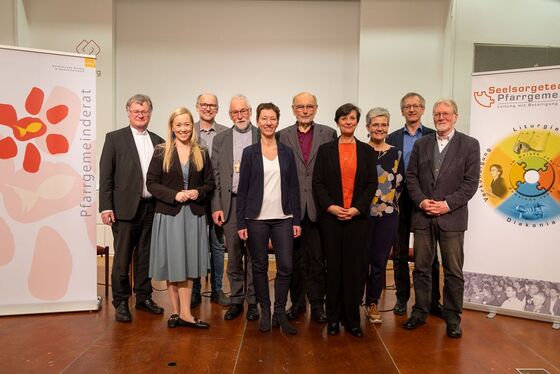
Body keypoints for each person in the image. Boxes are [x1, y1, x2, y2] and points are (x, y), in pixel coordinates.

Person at [403, 99, 480, 339]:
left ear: (455, 116)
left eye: (446, 113)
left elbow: (470, 183)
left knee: (453, 270)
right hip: (424, 216)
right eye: (437, 114)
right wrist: (422, 201)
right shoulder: (422, 144)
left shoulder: (469, 145)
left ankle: (453, 317)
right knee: (422, 268)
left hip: (452, 217)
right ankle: (420, 311)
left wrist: (446, 205)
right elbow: (411, 177)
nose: (441, 117)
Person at [313, 103, 377, 338]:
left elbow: (372, 184)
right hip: (331, 219)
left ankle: (352, 319)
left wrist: (357, 209)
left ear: (357, 122)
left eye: (352, 118)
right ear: (337, 121)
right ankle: (333, 319)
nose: (348, 122)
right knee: (333, 270)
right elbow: (317, 182)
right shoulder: (325, 150)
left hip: (357, 220)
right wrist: (331, 207)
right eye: (344, 118)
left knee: (354, 270)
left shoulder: (367, 152)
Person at [236, 103, 301, 334]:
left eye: (272, 119)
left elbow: (294, 187)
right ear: (258, 120)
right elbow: (242, 190)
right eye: (264, 118)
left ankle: (280, 313)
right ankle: (265, 310)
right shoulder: (249, 153)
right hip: (256, 219)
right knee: (259, 266)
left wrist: (296, 220)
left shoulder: (287, 152)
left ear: (277, 121)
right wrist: (241, 222)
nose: (268, 123)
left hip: (284, 217)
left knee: (286, 266)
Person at [99, 94, 165, 322]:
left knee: (146, 256)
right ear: (128, 112)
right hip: (124, 209)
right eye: (136, 111)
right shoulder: (114, 138)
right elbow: (106, 176)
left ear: (150, 114)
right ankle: (121, 301)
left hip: (151, 208)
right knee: (123, 258)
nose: (140, 115)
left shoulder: (158, 141)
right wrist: (106, 207)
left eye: (144, 111)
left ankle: (144, 297)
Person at [146, 107, 214, 329]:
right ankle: (175, 312)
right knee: (173, 263)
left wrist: (198, 192)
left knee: (189, 263)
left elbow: (210, 184)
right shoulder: (160, 151)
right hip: (169, 214)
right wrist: (174, 195)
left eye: (186, 124)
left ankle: (185, 313)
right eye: (179, 125)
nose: (183, 129)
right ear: (172, 127)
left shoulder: (201, 152)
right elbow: (152, 184)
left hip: (193, 215)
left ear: (191, 126)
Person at [278, 92, 336, 324]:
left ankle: (318, 305)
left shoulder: (328, 134)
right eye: (300, 107)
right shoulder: (283, 136)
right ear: (293, 109)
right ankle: (298, 303)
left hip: (319, 207)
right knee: (294, 260)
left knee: (318, 260)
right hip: (291, 208)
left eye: (309, 106)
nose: (304, 110)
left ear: (316, 108)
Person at [386, 92, 442, 317]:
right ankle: (401, 298)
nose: (412, 110)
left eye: (416, 106)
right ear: (402, 111)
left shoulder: (434, 135)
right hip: (399, 201)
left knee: (429, 254)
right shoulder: (392, 138)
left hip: (426, 200)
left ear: (423, 109)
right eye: (407, 106)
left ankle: (433, 301)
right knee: (399, 252)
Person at [211, 95, 259, 321]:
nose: (240, 115)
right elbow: (216, 176)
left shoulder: (263, 135)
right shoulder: (221, 139)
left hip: (256, 206)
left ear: (250, 111)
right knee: (234, 256)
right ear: (229, 115)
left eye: (243, 110)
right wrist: (217, 206)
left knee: (254, 255)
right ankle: (236, 299)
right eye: (234, 112)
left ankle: (253, 301)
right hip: (230, 204)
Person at [363, 108, 404, 324]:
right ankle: (353, 301)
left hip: (388, 215)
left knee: (379, 261)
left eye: (383, 124)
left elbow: (400, 183)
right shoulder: (360, 150)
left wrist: (386, 204)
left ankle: (372, 303)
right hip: (361, 215)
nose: (380, 128)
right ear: (367, 127)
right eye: (375, 124)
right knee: (360, 261)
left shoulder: (396, 153)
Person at [191, 93, 230, 308]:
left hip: (218, 198)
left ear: (217, 108)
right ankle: (195, 290)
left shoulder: (225, 133)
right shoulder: (188, 130)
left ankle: (217, 289)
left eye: (212, 105)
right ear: (197, 107)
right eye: (204, 105)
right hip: (195, 198)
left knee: (217, 245)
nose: (208, 108)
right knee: (196, 246)